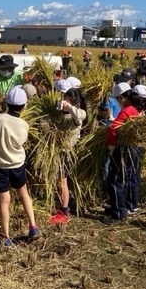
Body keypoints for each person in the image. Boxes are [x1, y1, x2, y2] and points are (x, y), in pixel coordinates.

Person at [0, 86, 39, 246]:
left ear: (7, 103)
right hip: (17, 164)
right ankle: (33, 226)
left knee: (4, 200)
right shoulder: (24, 125)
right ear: (24, 106)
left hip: (0, 165)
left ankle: (5, 236)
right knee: (23, 193)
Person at [103, 83, 146, 223]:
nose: (118, 101)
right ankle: (118, 207)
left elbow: (113, 128)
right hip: (132, 148)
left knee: (115, 180)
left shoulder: (127, 110)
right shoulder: (136, 110)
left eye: (118, 99)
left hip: (123, 149)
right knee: (122, 178)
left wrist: (111, 145)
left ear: (123, 98)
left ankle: (118, 214)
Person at [50, 87, 87, 225]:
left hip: (66, 152)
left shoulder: (79, 114)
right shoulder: (63, 114)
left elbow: (79, 116)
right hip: (58, 151)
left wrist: (69, 106)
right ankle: (62, 206)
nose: (64, 103)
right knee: (59, 181)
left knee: (62, 182)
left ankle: (64, 212)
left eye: (66, 100)